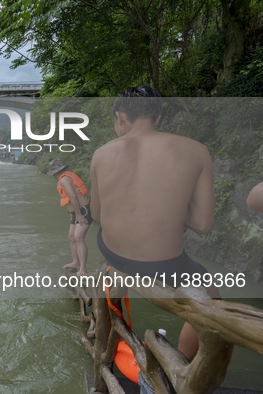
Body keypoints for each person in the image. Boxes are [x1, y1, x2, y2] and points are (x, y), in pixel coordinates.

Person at [89, 85, 218, 362]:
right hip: (164, 266)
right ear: (158, 118)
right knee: (211, 293)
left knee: (107, 244)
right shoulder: (197, 151)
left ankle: (111, 314)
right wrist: (170, 207)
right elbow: (203, 224)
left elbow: (98, 215)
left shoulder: (101, 154)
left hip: (114, 255)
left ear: (120, 117)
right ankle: (181, 363)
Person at [47, 159, 93, 275]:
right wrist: (73, 216)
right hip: (75, 214)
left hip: (83, 212)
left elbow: (73, 197)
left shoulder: (64, 179)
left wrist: (78, 215)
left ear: (54, 174)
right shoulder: (67, 176)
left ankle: (83, 268)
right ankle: (75, 262)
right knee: (71, 237)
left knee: (78, 237)